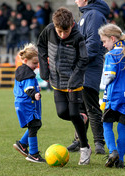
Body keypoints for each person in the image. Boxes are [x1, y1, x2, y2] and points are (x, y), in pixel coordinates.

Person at [37, 7, 91, 165]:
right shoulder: (48, 30)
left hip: (74, 84)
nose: (62, 35)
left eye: (65, 32)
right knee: (61, 113)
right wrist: (44, 69)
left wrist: (74, 80)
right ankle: (83, 118)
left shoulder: (78, 37)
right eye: (59, 31)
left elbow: (84, 60)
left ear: (72, 26)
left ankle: (84, 147)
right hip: (56, 82)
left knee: (74, 114)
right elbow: (41, 47)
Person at [67, 0, 110, 155]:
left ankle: (99, 142)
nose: (75, 1)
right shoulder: (87, 14)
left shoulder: (94, 15)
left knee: (90, 105)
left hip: (89, 68)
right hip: (82, 67)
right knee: (80, 107)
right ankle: (79, 141)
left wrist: (77, 60)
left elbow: (92, 44)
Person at [98, 23, 125, 168]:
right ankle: (120, 161)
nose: (104, 45)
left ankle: (112, 152)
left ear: (112, 38)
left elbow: (109, 77)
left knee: (106, 124)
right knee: (122, 128)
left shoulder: (111, 55)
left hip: (115, 96)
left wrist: (103, 86)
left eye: (104, 41)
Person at [13, 43, 46, 163]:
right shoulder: (27, 74)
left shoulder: (22, 70)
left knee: (36, 124)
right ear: (26, 60)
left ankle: (22, 144)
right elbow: (28, 89)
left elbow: (25, 86)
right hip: (27, 103)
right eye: (34, 63)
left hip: (22, 103)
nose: (36, 66)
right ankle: (33, 154)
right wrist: (34, 94)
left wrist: (36, 89)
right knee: (34, 125)